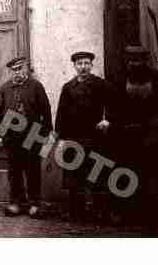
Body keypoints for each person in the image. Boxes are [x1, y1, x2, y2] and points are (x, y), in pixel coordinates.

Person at [55, 51, 113, 222]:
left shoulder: (100, 84)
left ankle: (99, 213)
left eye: (86, 63)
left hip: (95, 138)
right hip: (74, 139)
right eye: (80, 64)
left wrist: (107, 120)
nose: (83, 67)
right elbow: (61, 114)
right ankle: (76, 213)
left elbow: (113, 105)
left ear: (91, 65)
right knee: (74, 178)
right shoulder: (68, 87)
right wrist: (61, 139)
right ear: (74, 66)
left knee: (98, 175)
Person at [0, 56, 52, 218]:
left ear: (26, 69)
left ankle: (34, 203)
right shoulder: (4, 88)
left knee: (33, 170)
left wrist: (46, 134)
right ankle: (16, 202)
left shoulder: (36, 86)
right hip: (12, 138)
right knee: (14, 171)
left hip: (32, 136)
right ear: (10, 72)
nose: (17, 72)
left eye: (20, 69)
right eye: (14, 70)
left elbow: (46, 112)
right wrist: (0, 135)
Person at [111, 45, 158, 227]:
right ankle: (126, 214)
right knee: (125, 175)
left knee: (150, 176)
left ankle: (150, 215)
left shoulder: (155, 78)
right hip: (126, 137)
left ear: (144, 61)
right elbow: (114, 108)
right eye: (131, 60)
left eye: (138, 60)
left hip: (151, 137)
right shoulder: (120, 79)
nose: (134, 64)